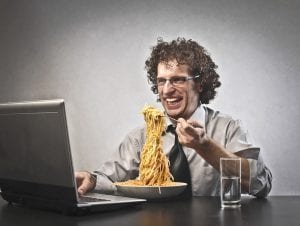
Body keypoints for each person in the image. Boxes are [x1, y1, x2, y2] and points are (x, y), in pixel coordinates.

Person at [76, 37, 272, 197]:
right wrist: (91, 179)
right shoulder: (141, 138)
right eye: (161, 81)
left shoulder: (228, 128)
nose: (167, 90)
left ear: (200, 83)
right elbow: (108, 178)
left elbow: (260, 184)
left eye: (177, 80)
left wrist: (204, 145)